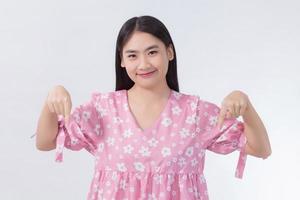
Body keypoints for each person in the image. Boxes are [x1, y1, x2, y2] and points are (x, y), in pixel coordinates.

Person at [35, 15, 272, 200]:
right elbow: (45, 142)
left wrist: (246, 106)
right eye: (132, 55)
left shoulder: (195, 113)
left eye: (152, 52)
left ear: (169, 52)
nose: (143, 64)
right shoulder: (103, 111)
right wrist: (50, 101)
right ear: (122, 60)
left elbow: (261, 149)